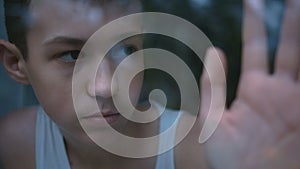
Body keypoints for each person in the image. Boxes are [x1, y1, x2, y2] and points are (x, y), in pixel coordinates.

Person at [0, 0, 299, 169]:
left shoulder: (197, 152)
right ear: (16, 64)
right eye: (72, 55)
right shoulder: (13, 146)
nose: (106, 87)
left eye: (126, 50)